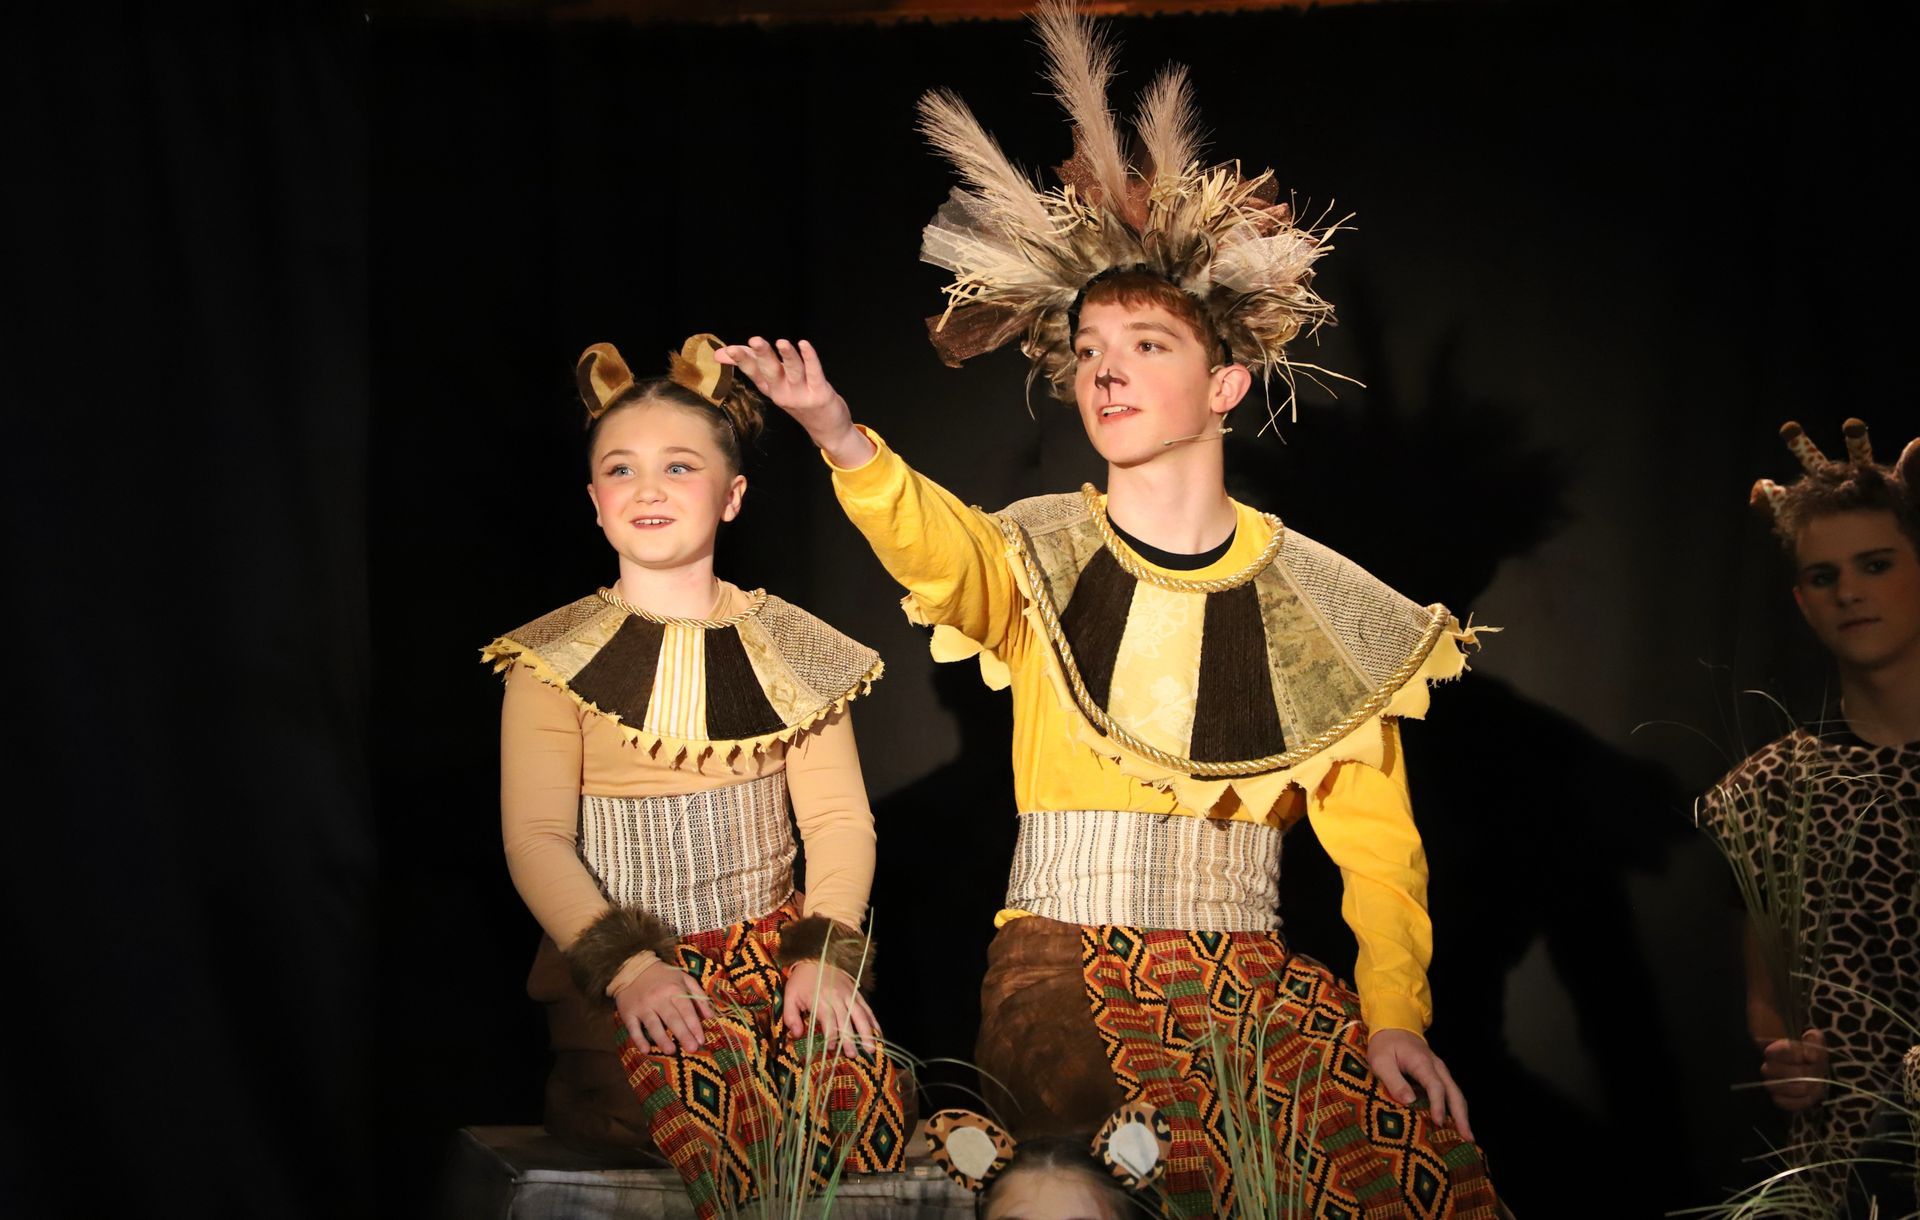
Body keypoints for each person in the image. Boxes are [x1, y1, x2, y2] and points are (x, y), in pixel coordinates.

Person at [719, 5, 1500, 1214]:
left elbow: (1377, 845)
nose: (1108, 368)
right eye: (1089, 349)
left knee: (1404, 1175)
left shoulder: (1323, 604)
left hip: (1252, 976)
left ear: (1226, 382)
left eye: (1146, 341)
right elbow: (940, 550)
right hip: (1061, 967)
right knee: (1136, 1170)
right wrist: (836, 432)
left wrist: (1394, 1014)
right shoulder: (1038, 554)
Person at [480, 336, 911, 1218]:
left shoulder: (796, 648)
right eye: (621, 469)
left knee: (864, 1121)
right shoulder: (549, 659)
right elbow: (536, 839)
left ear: (731, 495)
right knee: (690, 1108)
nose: (648, 489)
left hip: (769, 955)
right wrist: (631, 966)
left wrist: (824, 957)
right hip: (631, 961)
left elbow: (837, 824)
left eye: (679, 467)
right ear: (595, 502)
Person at [1706, 418, 1920, 1213]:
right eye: (1824, 576)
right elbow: (1772, 994)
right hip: (1845, 1174)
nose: (1850, 592)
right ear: (1801, 602)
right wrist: (1784, 1057)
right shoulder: (1770, 790)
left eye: (1875, 564)